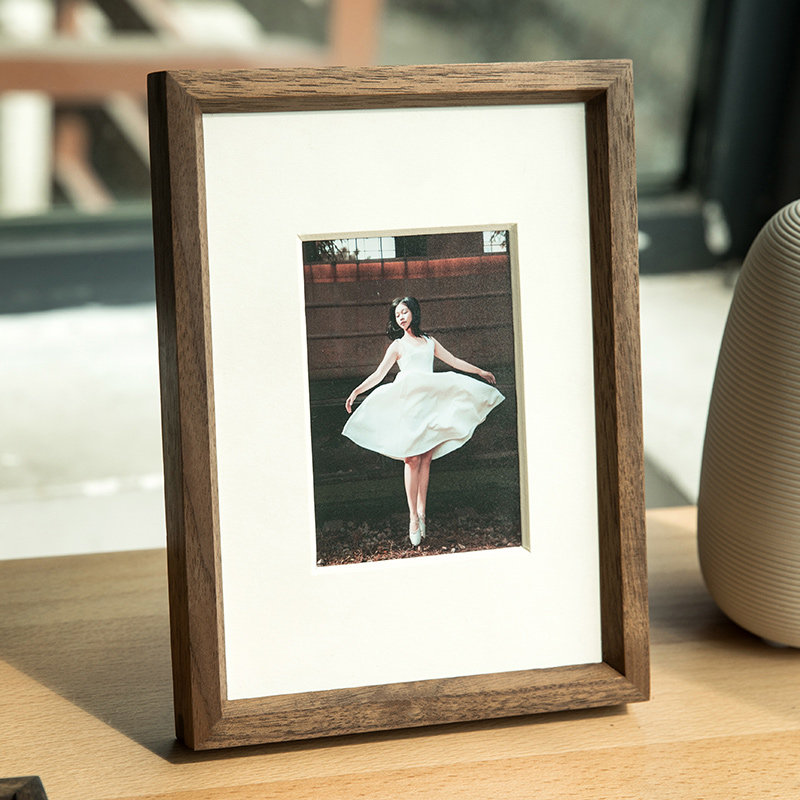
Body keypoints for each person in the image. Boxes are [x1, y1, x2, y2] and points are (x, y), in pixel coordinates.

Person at [343, 296, 504, 546]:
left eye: (404, 312)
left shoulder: (430, 342)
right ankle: (412, 518)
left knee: (426, 458)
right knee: (411, 459)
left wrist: (479, 371)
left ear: (414, 313)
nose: (401, 317)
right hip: (409, 407)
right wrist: (357, 391)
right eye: (397, 315)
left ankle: (422, 513)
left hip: (430, 405)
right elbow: (379, 374)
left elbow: (454, 361)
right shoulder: (397, 346)